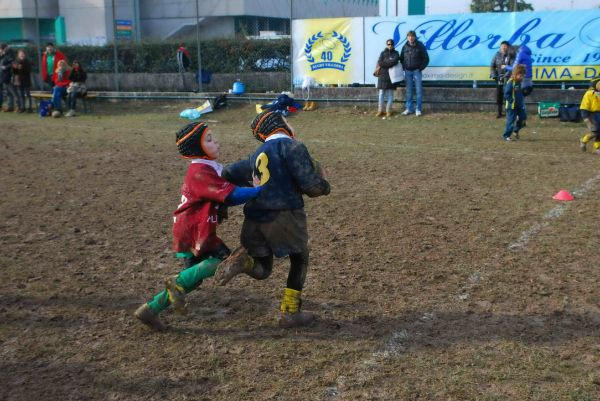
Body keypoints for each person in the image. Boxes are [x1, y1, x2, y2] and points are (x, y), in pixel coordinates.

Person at [134, 122, 262, 331]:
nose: (216, 141)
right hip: (193, 230)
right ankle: (174, 282)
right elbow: (231, 195)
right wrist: (260, 190)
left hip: (193, 228)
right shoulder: (199, 171)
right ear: (197, 147)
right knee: (223, 261)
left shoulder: (207, 168)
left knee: (192, 281)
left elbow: (228, 186)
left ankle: (150, 309)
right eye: (209, 139)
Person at [215, 111, 331, 328]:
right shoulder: (293, 147)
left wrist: (220, 202)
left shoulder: (257, 154)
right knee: (300, 258)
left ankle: (244, 262)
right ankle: (290, 313)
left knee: (263, 269)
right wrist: (325, 184)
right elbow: (311, 187)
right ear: (279, 124)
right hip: (284, 215)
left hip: (254, 218)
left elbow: (228, 172)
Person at [400, 30, 429, 116]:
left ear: (415, 37)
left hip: (417, 71)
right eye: (409, 36)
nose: (411, 38)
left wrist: (420, 68)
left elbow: (426, 59)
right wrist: (403, 67)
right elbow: (401, 58)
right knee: (409, 91)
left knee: (419, 91)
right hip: (407, 72)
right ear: (407, 37)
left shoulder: (420, 45)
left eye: (412, 36)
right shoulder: (405, 46)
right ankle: (409, 109)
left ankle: (418, 109)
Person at [374, 39, 400, 118]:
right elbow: (379, 62)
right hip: (382, 75)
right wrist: (388, 62)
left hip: (392, 76)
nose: (390, 45)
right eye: (388, 44)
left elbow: (394, 62)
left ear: (393, 45)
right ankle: (380, 110)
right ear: (386, 45)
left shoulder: (396, 53)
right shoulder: (383, 53)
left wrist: (385, 63)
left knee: (390, 94)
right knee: (381, 94)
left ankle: (388, 111)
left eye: (391, 44)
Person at [489, 40, 515, 118]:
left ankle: (508, 112)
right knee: (499, 95)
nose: (503, 47)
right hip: (499, 78)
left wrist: (507, 75)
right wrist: (494, 75)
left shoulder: (511, 55)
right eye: (502, 45)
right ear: (500, 47)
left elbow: (512, 67)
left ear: (508, 47)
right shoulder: (496, 55)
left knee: (508, 95)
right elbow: (492, 66)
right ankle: (499, 112)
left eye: (505, 46)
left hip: (508, 78)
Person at [502, 64, 527, 141]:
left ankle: (516, 130)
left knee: (523, 118)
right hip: (511, 106)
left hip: (519, 105)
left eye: (523, 76)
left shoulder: (519, 82)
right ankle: (506, 136)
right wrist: (512, 101)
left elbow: (519, 93)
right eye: (520, 75)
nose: (522, 77)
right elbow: (506, 94)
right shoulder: (510, 82)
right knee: (511, 121)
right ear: (515, 74)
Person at [579, 77, 600, 154]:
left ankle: (597, 147)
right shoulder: (589, 94)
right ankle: (584, 140)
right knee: (595, 130)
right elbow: (584, 107)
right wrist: (586, 119)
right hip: (591, 113)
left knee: (598, 131)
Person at [0, 43, 16, 112]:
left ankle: (18, 106)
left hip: (9, 76)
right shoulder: (2, 55)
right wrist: (1, 54)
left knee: (13, 92)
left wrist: (6, 67)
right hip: (3, 76)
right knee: (8, 93)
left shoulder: (10, 54)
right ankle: (10, 107)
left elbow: (13, 63)